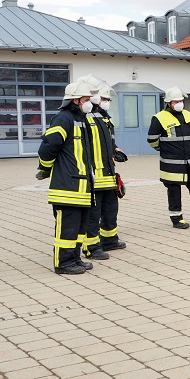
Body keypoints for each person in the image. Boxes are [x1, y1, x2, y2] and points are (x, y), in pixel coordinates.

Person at [36, 78, 96, 275]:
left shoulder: (81, 120)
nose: (90, 103)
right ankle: (63, 263)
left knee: (79, 229)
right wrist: (45, 168)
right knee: (66, 230)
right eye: (86, 99)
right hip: (67, 186)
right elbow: (48, 147)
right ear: (76, 100)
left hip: (82, 187)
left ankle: (75, 259)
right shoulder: (63, 118)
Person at [147, 86, 190, 229]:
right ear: (169, 103)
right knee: (174, 191)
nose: (179, 103)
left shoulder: (189, 115)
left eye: (181, 100)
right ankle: (177, 219)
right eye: (176, 101)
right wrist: (164, 149)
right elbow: (152, 139)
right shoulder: (159, 118)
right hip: (171, 163)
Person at [82, 79, 128, 259]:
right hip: (94, 174)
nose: (105, 102)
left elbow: (106, 140)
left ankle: (109, 240)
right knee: (94, 212)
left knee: (110, 208)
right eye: (103, 98)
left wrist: (114, 149)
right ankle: (92, 247)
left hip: (107, 172)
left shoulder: (104, 116)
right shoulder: (84, 117)